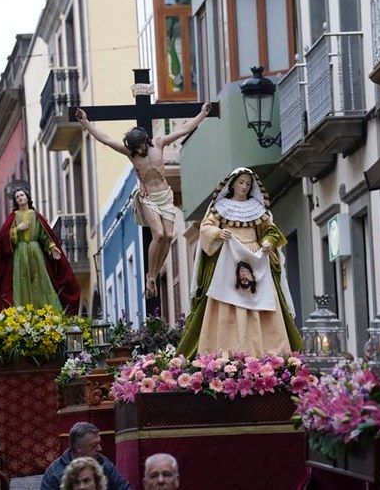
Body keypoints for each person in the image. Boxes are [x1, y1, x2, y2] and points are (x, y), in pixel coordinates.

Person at [76, 103, 212, 298]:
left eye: (139, 146)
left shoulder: (159, 143)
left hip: (165, 194)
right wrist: (85, 122)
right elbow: (106, 139)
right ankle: (150, 275)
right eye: (134, 148)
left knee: (168, 235)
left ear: (145, 141)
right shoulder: (130, 153)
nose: (138, 150)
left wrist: (202, 114)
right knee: (158, 234)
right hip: (147, 197)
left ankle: (154, 275)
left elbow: (183, 129)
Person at [176, 167, 303, 358]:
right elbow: (206, 228)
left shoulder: (258, 210)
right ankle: (224, 353)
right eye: (241, 182)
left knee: (262, 299)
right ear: (233, 184)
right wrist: (219, 233)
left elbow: (271, 230)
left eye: (248, 184)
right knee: (226, 301)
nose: (244, 187)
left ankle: (269, 352)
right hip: (229, 259)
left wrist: (268, 242)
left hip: (255, 258)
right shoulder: (220, 208)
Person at [0, 188, 80, 324]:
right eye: (17, 197)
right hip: (20, 254)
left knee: (41, 281)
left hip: (36, 252)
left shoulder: (36, 216)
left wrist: (52, 248)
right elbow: (4, 238)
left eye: (22, 195)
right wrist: (18, 229)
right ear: (16, 201)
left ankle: (48, 314)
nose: (20, 198)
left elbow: (44, 236)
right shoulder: (13, 217)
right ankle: (22, 315)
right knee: (21, 281)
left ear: (27, 197)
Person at [40, 422, 130, 490]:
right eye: (94, 445)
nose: (100, 448)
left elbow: (124, 487)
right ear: (78, 448)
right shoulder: (54, 473)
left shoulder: (103, 462)